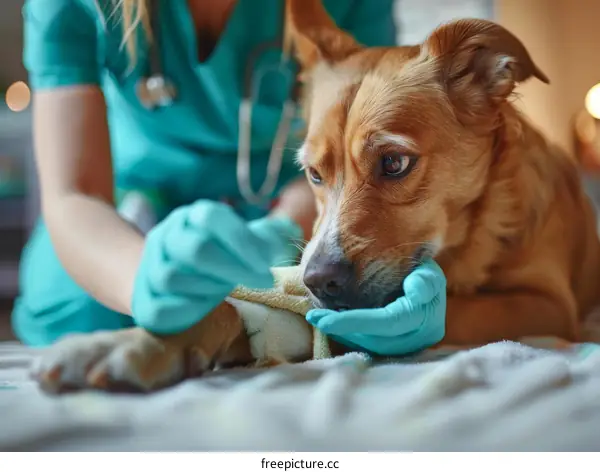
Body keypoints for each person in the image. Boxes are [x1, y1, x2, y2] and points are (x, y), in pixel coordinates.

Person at [15, 0, 446, 356]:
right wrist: (144, 283)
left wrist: (283, 233)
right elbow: (75, 193)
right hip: (132, 197)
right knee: (76, 313)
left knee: (346, 297)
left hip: (298, 202)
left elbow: (353, 150)